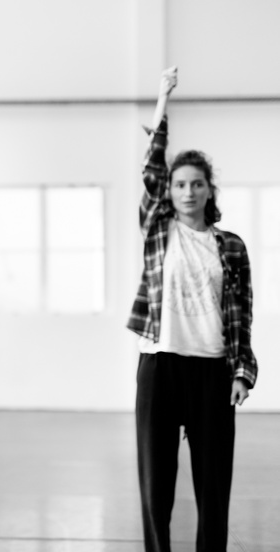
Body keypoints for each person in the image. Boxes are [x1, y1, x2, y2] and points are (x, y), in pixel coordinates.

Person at [127, 66, 258, 552]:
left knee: (213, 488)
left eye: (196, 183)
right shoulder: (159, 229)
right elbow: (150, 170)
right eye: (179, 184)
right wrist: (163, 100)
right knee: (155, 488)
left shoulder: (231, 246)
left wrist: (242, 371)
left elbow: (242, 316)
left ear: (209, 190)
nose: (186, 191)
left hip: (213, 373)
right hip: (159, 367)